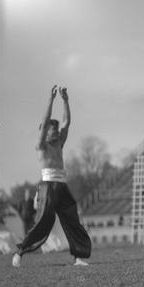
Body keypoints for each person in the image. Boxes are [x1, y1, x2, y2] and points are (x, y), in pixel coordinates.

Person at [12, 86, 92, 268]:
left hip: (62, 186)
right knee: (43, 223)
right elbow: (45, 119)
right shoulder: (41, 146)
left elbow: (67, 122)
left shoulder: (59, 144)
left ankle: (78, 258)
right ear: (44, 130)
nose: (56, 131)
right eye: (52, 128)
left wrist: (65, 100)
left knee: (72, 221)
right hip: (47, 187)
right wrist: (51, 99)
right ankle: (20, 251)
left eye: (56, 129)